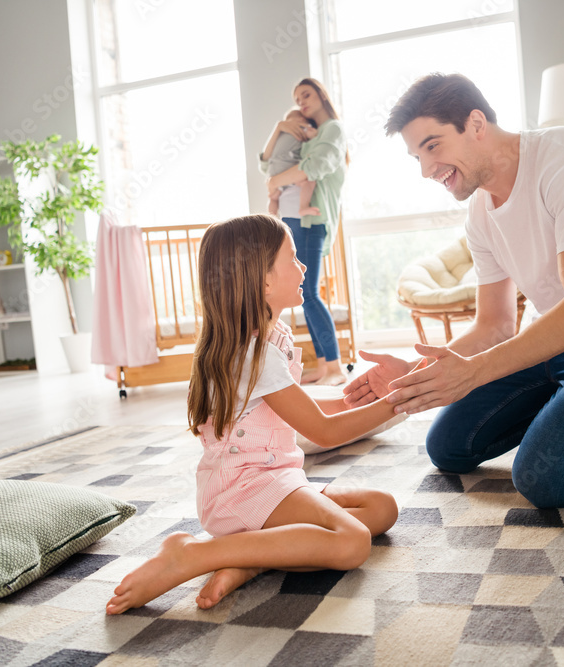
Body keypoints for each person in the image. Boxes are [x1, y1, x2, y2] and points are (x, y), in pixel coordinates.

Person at [343, 73, 564, 510]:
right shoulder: (480, 213)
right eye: (417, 157)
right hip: (555, 337)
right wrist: (415, 373)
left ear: (476, 123)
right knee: (448, 448)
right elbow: (495, 325)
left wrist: (473, 373)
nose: (427, 170)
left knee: (545, 481)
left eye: (433, 146)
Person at [106, 215, 407, 615]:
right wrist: (402, 399)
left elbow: (306, 411)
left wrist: (360, 397)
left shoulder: (271, 337)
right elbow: (324, 431)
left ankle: (250, 560)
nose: (302, 269)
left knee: (381, 508)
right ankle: (194, 554)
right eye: (293, 259)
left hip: (274, 479)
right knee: (352, 541)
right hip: (242, 490)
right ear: (262, 281)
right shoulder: (254, 354)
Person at [261, 78, 349, 386]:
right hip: (298, 219)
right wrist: (281, 129)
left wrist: (275, 183)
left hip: (312, 221)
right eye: (297, 98)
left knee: (309, 292)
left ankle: (336, 366)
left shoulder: (332, 130)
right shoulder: (309, 134)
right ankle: (325, 365)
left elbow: (315, 167)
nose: (301, 102)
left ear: (322, 96)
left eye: (306, 95)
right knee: (305, 293)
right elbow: (270, 163)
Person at [266, 109, 320, 219]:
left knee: (273, 198)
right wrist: (315, 135)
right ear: (301, 119)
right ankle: (303, 207)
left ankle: (271, 219)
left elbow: (265, 157)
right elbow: (314, 139)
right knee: (308, 181)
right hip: (286, 167)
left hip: (272, 170)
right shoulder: (301, 128)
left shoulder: (280, 134)